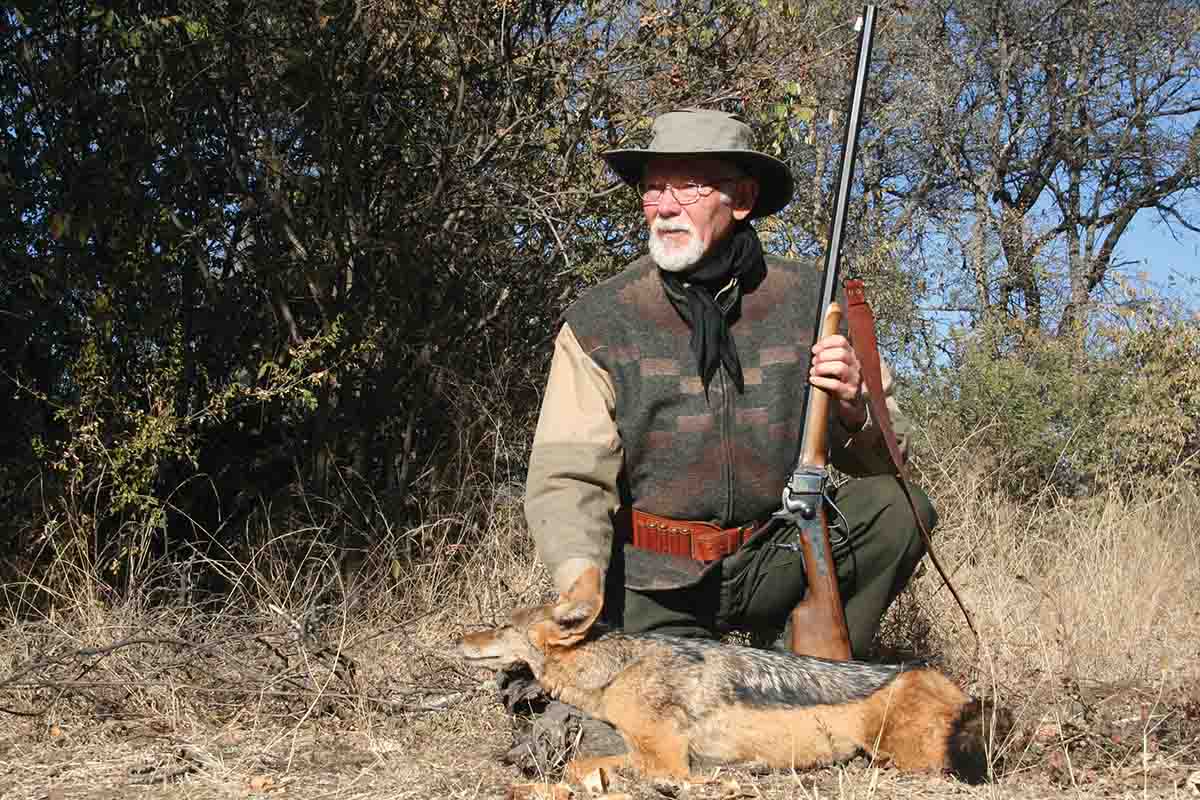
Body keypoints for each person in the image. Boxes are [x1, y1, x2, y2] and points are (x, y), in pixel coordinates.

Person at [524, 109, 935, 658]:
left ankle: (811, 668)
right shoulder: (601, 320)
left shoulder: (814, 301)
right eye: (652, 190)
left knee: (898, 508)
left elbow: (889, 460)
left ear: (740, 199)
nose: (664, 207)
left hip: (776, 554)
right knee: (663, 734)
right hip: (653, 581)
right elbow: (567, 478)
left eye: (689, 187)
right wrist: (581, 584)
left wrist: (855, 407)